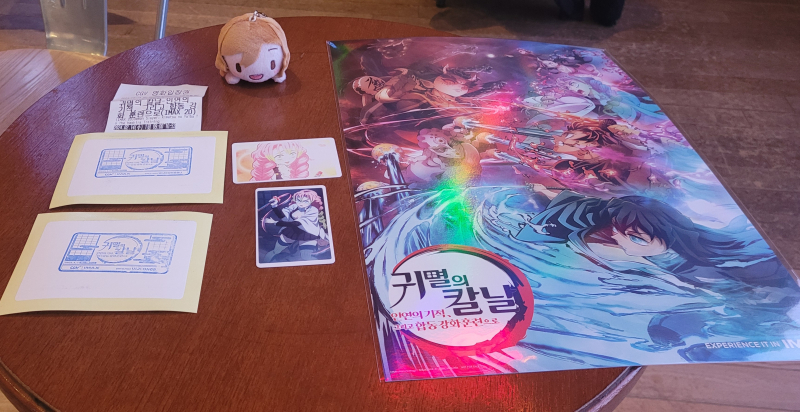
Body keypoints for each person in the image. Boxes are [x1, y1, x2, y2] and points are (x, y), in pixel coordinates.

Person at [261, 190, 328, 262]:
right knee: (275, 251)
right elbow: (282, 216)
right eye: (299, 200)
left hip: (307, 234)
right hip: (291, 232)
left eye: (305, 201)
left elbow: (296, 223)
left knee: (306, 256)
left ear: (311, 201)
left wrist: (275, 222)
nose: (301, 203)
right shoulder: (294, 206)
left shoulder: (313, 210)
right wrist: (274, 206)